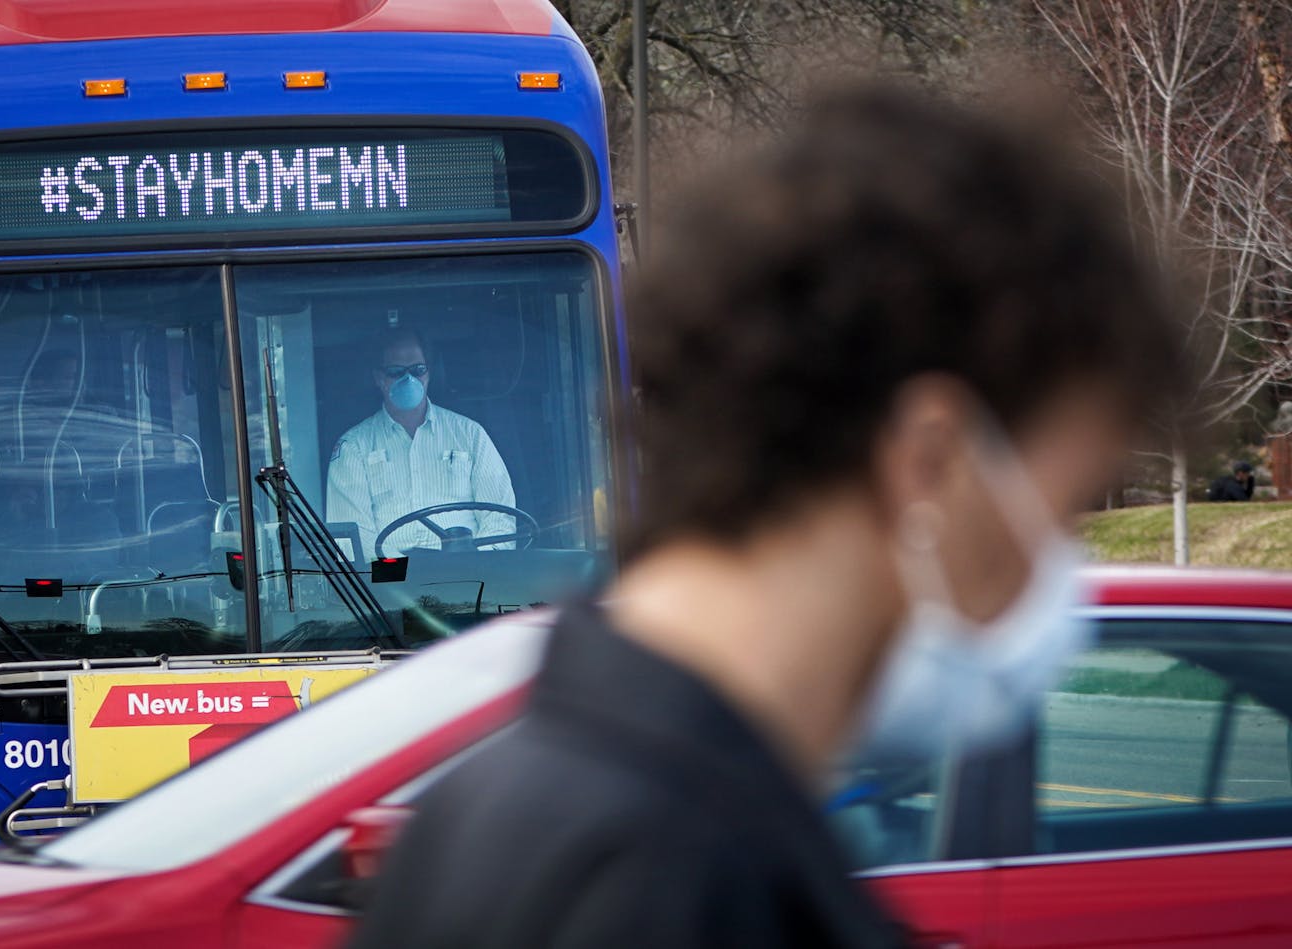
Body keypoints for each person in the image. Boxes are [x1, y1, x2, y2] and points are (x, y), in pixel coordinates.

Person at [350, 85, 1183, 948]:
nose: (1062, 572)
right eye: (1065, 507)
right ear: (929, 461)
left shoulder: (484, 806)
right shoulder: (699, 890)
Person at [325, 327, 516, 559]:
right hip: (388, 585)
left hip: (469, 578)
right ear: (379, 378)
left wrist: (478, 566)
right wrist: (404, 575)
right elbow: (352, 539)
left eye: (418, 370)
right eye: (396, 372)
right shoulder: (353, 447)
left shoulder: (470, 434)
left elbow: (500, 520)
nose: (409, 379)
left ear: (429, 373)